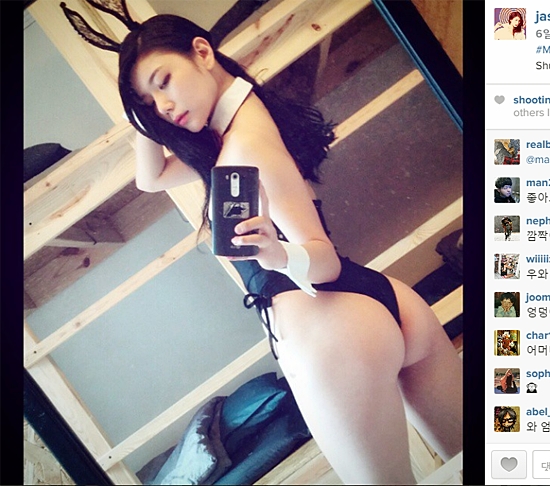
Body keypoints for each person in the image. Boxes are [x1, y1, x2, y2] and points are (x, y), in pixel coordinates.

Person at [61, 3, 463, 483]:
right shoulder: (239, 124)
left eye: (163, 81)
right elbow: (151, 179)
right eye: (151, 102)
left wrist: (276, 253)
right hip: (381, 305)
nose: (163, 107)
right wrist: (140, 110)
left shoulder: (242, 146)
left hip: (329, 332)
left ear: (202, 52)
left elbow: (324, 262)